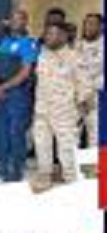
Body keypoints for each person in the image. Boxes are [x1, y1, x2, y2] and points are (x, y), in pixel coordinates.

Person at [31, 22, 83, 193]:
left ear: (63, 36)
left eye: (53, 34)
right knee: (41, 145)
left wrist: (78, 109)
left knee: (67, 149)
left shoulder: (74, 57)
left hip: (65, 112)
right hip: (42, 110)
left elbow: (85, 86)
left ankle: (72, 181)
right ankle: (45, 175)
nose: (48, 37)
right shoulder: (42, 55)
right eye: (47, 34)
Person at [0, 9, 38, 182]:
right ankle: (2, 166)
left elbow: (25, 73)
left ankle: (15, 169)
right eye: (12, 19)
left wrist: (3, 87)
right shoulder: (4, 41)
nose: (15, 22)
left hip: (18, 93)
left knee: (15, 132)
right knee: (1, 130)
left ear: (25, 22)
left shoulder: (29, 44)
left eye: (19, 19)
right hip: (0, 90)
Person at [76, 13, 103, 148]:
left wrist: (90, 95)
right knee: (73, 136)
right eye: (86, 23)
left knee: (95, 137)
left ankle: (98, 162)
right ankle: (78, 163)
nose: (88, 26)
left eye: (92, 23)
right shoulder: (78, 45)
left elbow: (98, 73)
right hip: (78, 98)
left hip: (97, 98)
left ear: (101, 26)